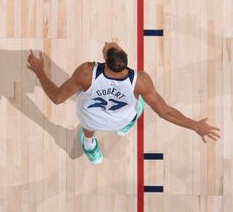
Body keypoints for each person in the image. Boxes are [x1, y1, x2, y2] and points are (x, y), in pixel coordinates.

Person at [26, 42, 220, 164]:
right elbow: (165, 112)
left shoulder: (87, 71)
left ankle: (90, 146)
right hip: (119, 120)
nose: (107, 43)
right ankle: (125, 127)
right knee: (139, 106)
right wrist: (195, 126)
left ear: (105, 59)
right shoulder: (141, 81)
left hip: (90, 120)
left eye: (108, 46)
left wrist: (39, 71)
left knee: (88, 124)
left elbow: (57, 98)